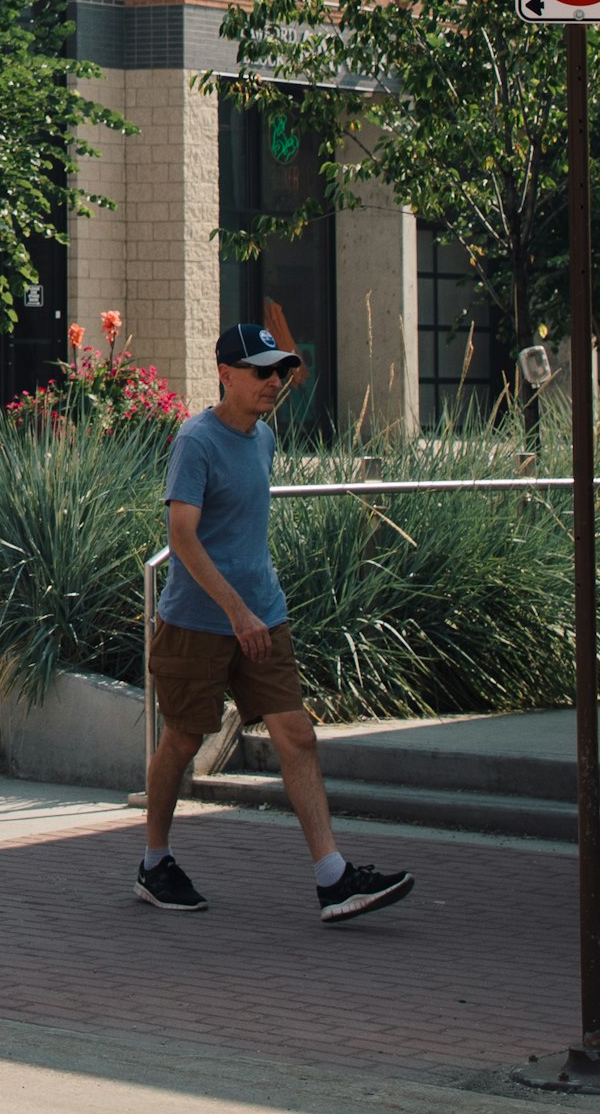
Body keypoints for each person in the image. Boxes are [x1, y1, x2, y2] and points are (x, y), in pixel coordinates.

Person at [140, 322, 416, 925]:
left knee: (297, 734)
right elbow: (181, 537)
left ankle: (333, 878)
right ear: (226, 373)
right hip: (198, 622)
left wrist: (254, 607)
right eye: (261, 371)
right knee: (184, 739)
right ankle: (154, 861)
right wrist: (233, 610)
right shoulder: (196, 441)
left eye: (280, 371)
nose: (274, 382)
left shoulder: (263, 438)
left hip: (264, 615)